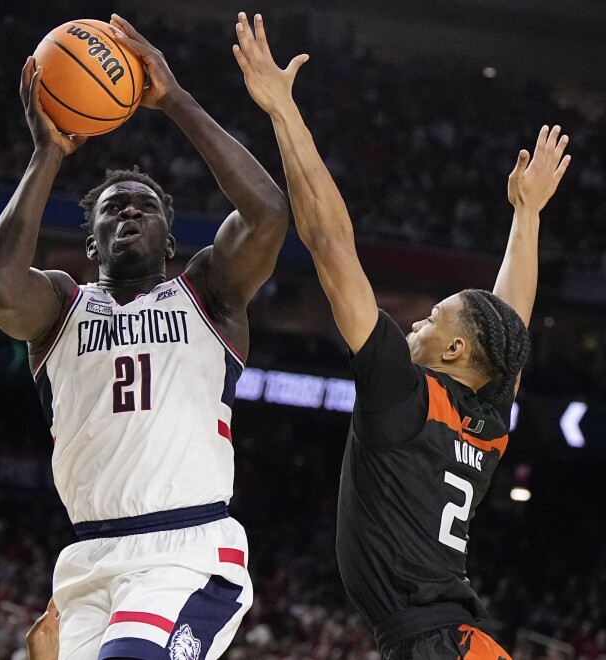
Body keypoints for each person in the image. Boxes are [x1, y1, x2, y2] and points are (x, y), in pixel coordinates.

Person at [231, 12, 570, 660]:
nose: (417, 321)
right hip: (462, 644)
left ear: (454, 352)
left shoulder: (405, 398)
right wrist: (525, 216)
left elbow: (331, 244)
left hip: (438, 646)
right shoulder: (485, 417)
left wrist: (283, 113)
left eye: (433, 316)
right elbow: (512, 327)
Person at [0, 12, 289, 660]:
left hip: (186, 549)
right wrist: (47, 154)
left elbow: (267, 214)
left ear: (169, 241)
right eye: (112, 208)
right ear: (90, 241)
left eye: (143, 207)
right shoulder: (62, 306)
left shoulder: (209, 294)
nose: (128, 212)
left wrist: (172, 98)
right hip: (89, 560)